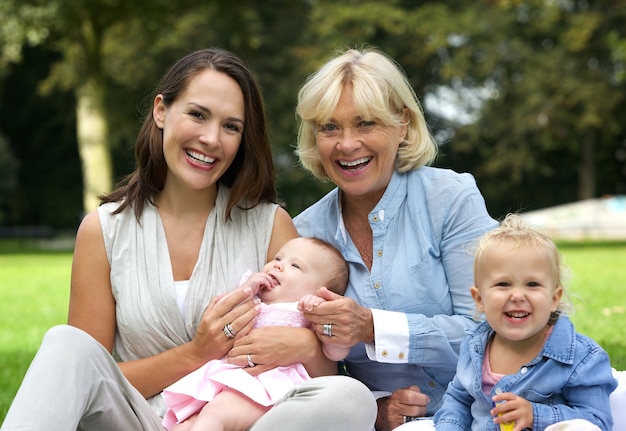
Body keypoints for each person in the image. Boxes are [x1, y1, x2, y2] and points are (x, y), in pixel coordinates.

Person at [1, 48, 376, 431]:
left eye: (231, 126)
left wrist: (309, 348)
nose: (211, 138)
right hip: (135, 420)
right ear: (161, 111)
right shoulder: (104, 231)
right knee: (67, 345)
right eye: (197, 114)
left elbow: (314, 372)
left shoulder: (270, 225)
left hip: (239, 420)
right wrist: (197, 353)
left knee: (350, 398)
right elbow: (88, 380)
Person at [292, 47, 499, 431]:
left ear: (402, 123)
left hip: (490, 413)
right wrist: (375, 407)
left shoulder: (450, 198)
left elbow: (491, 331)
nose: (347, 144)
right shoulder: (303, 234)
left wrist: (373, 327)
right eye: (329, 127)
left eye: (366, 123)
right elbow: (301, 365)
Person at [433, 213, 617, 431]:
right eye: (503, 284)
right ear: (479, 299)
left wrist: (535, 415)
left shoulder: (581, 358)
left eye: (532, 284)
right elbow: (458, 401)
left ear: (554, 299)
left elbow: (597, 420)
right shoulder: (474, 347)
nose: (518, 295)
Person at [162, 236, 351, 430]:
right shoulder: (253, 299)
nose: (278, 266)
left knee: (216, 414)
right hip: (228, 378)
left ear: (320, 291)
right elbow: (219, 316)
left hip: (270, 385)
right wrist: (246, 290)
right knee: (186, 424)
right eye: (278, 259)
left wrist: (324, 314)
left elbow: (336, 354)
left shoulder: (309, 311)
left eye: (295, 265)